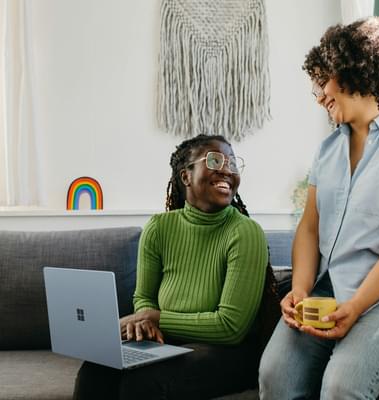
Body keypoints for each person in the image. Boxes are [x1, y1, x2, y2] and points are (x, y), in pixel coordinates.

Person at [73, 134, 278, 400]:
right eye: (215, 160)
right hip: (167, 342)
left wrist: (155, 318)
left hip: (228, 351)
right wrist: (144, 321)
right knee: (95, 370)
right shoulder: (159, 227)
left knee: (144, 382)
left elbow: (231, 327)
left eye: (232, 163)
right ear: (185, 177)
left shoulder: (246, 232)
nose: (227, 169)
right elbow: (144, 296)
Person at [259, 16, 379, 400]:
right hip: (328, 288)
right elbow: (309, 227)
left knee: (342, 387)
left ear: (355, 69)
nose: (319, 95)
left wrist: (355, 306)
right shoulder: (327, 149)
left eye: (324, 82)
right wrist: (301, 290)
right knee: (275, 375)